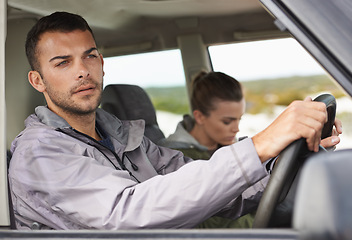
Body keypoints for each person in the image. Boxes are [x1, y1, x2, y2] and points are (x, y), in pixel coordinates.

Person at [8, 11, 341, 230]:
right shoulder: (40, 154)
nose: (83, 70)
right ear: (38, 80)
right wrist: (259, 144)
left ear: (101, 62)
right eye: (63, 62)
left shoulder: (123, 138)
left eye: (89, 55)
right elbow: (128, 214)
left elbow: (206, 185)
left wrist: (286, 156)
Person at [163, 71, 245, 160]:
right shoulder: (175, 158)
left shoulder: (232, 146)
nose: (236, 129)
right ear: (199, 117)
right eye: (227, 122)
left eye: (239, 119)